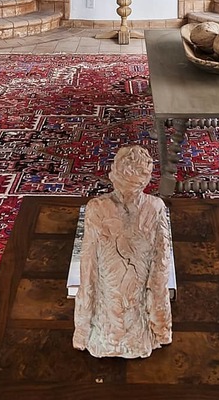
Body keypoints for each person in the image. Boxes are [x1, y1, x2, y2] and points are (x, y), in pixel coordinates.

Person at [72, 145, 173, 358]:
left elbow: (88, 273)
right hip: (126, 331)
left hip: (112, 332)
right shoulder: (153, 207)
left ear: (113, 175)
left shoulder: (99, 207)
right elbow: (159, 275)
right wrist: (162, 330)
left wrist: (81, 332)